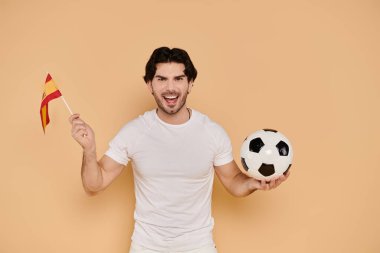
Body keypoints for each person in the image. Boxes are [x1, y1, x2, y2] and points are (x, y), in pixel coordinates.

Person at [69, 47, 290, 253]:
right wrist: (89, 149)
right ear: (150, 85)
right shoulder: (134, 132)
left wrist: (253, 183)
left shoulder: (212, 133)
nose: (170, 88)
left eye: (179, 79)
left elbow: (233, 181)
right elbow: (93, 185)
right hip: (147, 246)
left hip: (198, 246)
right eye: (161, 79)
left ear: (190, 83)